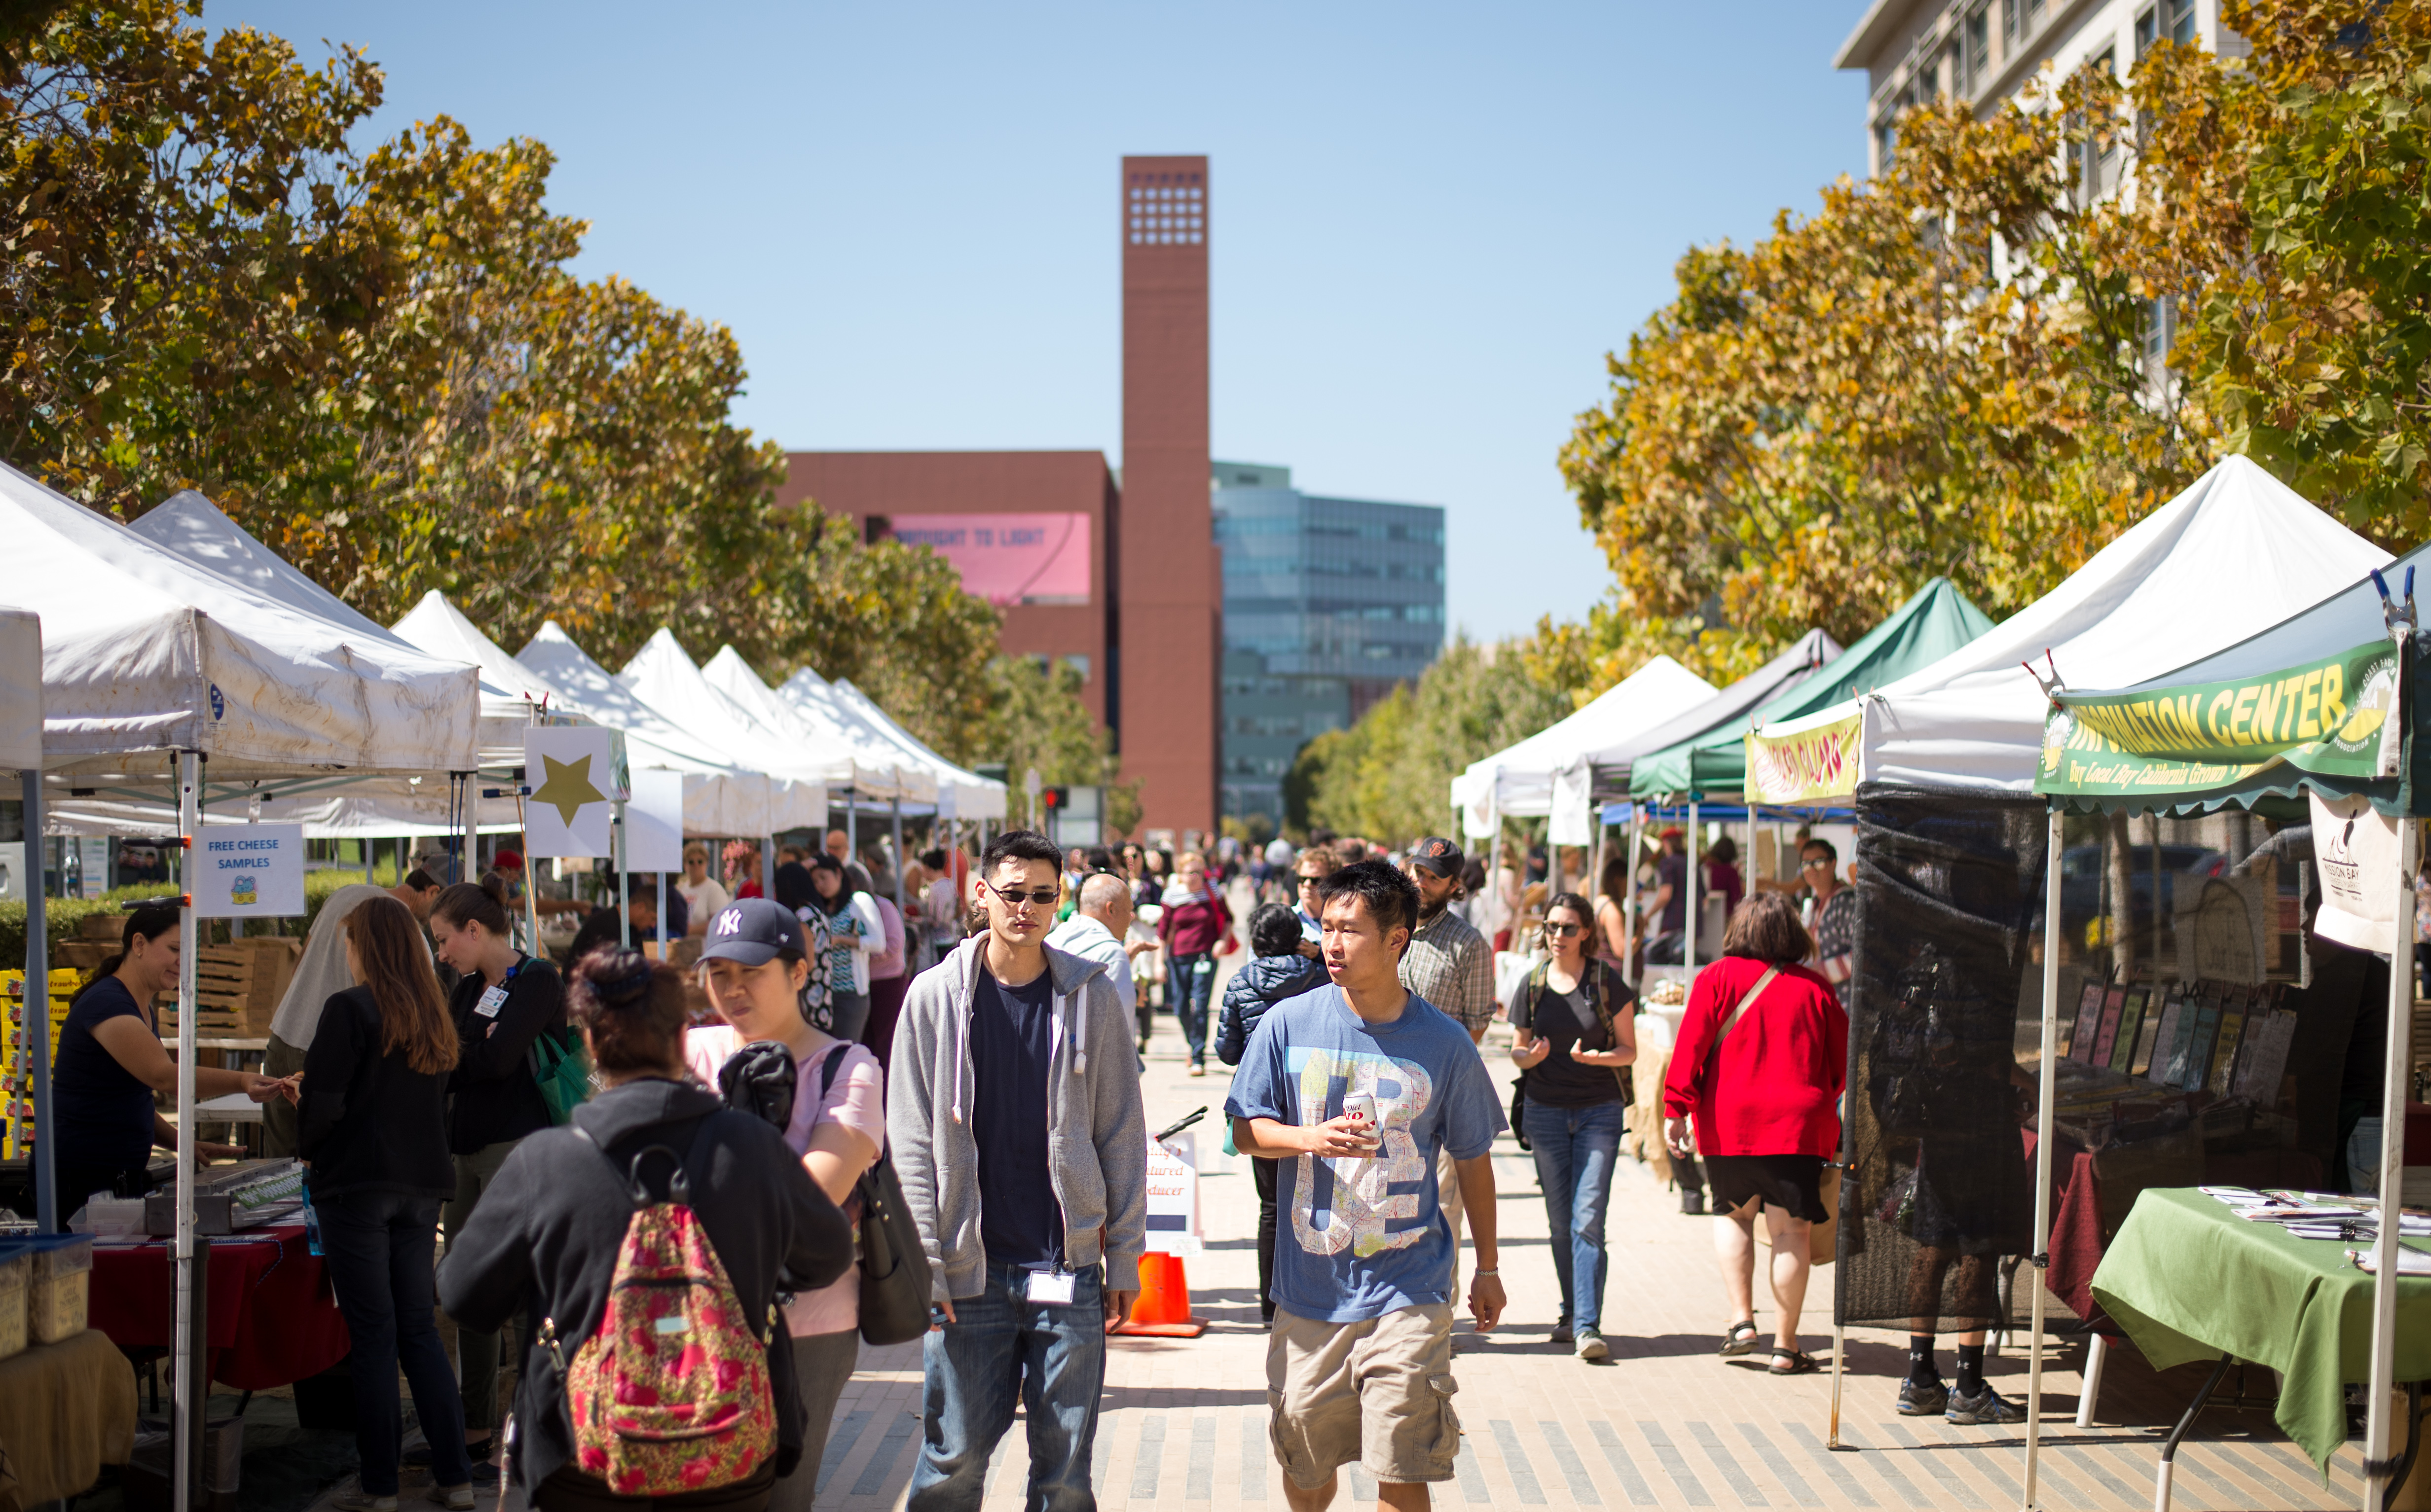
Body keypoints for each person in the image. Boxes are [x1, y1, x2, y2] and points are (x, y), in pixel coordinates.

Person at [437, 948, 854, 1511]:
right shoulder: (752, 1147)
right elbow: (826, 1257)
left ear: (590, 1044)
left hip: (582, 1452)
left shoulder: (546, 1162)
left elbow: (464, 1293)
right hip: (730, 1446)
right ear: (683, 1036)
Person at [1226, 861, 1507, 1512]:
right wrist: (1308, 1138)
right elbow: (1245, 1130)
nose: (1332, 943)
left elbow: (1473, 1158)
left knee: (1401, 1463)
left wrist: (1488, 1266)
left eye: (1350, 930)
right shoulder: (1287, 1024)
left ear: (1395, 939)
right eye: (1326, 926)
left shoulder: (1444, 1043)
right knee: (1306, 1461)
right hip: (1309, 1291)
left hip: (1410, 1288)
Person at [890, 829, 1147, 1512]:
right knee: (953, 1462)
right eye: (1012, 893)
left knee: (1064, 1475)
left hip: (1067, 1267)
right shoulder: (932, 998)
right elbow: (911, 1144)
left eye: (1042, 895)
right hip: (967, 1272)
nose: (1026, 907)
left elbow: (1122, 1133)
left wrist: (1123, 1257)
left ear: (1059, 902)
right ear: (982, 894)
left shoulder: (1090, 998)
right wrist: (927, 1262)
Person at [686, 900, 885, 1512]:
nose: (733, 989)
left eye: (751, 972)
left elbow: (811, 1198)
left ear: (799, 973)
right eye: (719, 974)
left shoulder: (845, 1069)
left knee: (779, 1494)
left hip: (806, 1324)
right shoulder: (692, 1052)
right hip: (695, 1316)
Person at [299, 896, 477, 1512]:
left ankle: (379, 1487)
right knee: (418, 1332)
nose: (345, 955)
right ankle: (455, 1478)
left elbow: (321, 1103)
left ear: (365, 948)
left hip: (356, 1186)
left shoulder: (349, 1008)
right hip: (421, 1186)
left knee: (373, 1337)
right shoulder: (434, 1012)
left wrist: (308, 1146)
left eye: (349, 944)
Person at [1660, 892, 1846, 1377]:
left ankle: (1741, 1321)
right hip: (1797, 1126)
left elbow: (1690, 1047)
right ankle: (1786, 1347)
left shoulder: (1715, 979)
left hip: (1729, 1120)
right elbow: (1840, 1063)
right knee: (1791, 1231)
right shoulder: (1816, 987)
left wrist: (1675, 1106)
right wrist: (1815, 1098)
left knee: (1732, 1214)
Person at [430, 877, 568, 1476]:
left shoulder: (537, 980)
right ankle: (475, 1427)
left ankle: (533, 1426)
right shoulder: (465, 989)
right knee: (468, 1291)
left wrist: (469, 1052)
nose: (440, 953)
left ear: (475, 931)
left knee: (523, 1294)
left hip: (517, 1151)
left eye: (443, 940)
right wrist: (469, 1051)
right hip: (463, 1153)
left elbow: (496, 1058)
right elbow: (448, 1058)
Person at [47, 905, 282, 1216]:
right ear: (139, 944)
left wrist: (182, 1142)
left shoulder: (136, 1003)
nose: (182, 962)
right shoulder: (107, 1003)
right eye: (174, 949)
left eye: (188, 953)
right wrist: (241, 1081)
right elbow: (163, 1076)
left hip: (112, 1174)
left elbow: (130, 1100)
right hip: (80, 1177)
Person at [1507, 893, 1636, 1362]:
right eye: (1551, 927)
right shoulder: (1533, 983)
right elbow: (1517, 1051)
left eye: (1567, 927)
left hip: (1599, 1109)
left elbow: (1629, 1050)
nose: (1557, 935)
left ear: (1586, 933)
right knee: (1560, 1223)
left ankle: (1587, 1325)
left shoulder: (1606, 982)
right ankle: (1570, 1312)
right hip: (1544, 1109)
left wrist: (1599, 1058)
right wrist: (1531, 1057)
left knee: (1587, 1218)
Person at [262, 868, 445, 1157]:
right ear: (433, 892)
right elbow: (418, 1007)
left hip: (286, 1032)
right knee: (331, 1158)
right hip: (335, 1052)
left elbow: (300, 962)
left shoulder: (345, 894)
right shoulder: (407, 929)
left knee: (279, 1171)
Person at [1216, 902, 1330, 1326]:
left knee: (1272, 1207)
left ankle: (1270, 1307)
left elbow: (1227, 1051)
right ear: (1298, 936)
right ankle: (1312, 1295)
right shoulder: (1320, 978)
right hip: (1314, 1105)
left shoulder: (1241, 980)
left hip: (1260, 1108)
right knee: (1319, 1199)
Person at [1398, 836, 1496, 1307]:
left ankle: (1438, 1306)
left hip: (1442, 1095)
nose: (1420, 882)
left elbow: (1476, 1024)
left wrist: (1438, 1066)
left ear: (1455, 886)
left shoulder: (1468, 945)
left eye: (1433, 876)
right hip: (1380, 1090)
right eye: (1418, 871)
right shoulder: (1388, 928)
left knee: (1440, 1206)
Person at [1045, 873, 1154, 1056]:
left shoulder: (1053, 939)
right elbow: (1118, 1030)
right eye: (1129, 910)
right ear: (1111, 910)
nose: (1132, 917)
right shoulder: (1113, 952)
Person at [1156, 851, 1233, 1076]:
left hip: (1205, 956)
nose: (1196, 877)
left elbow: (1229, 918)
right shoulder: (1172, 895)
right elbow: (1162, 931)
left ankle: (1198, 1056)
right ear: (1180, 874)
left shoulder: (1212, 891)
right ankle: (1193, 1043)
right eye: (1190, 873)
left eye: (1199, 872)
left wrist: (1222, 942)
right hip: (1178, 957)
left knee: (1200, 1006)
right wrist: (1159, 963)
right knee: (1180, 1007)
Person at [802, 853, 882, 1044]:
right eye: (815, 881)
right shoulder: (819, 908)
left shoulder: (859, 902)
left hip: (851, 995)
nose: (820, 885)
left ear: (838, 874)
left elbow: (879, 943)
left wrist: (841, 940)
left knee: (845, 1053)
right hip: (822, 995)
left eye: (824, 878)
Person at [568, 875, 687, 966]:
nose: (653, 925)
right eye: (653, 918)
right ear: (641, 907)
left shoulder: (633, 929)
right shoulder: (604, 927)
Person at [865, 886, 910, 1073]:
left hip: (888, 981)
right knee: (868, 1044)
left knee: (886, 1044)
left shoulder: (884, 907)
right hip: (863, 984)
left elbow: (894, 945)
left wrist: (863, 955)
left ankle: (889, 1094)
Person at [1799, 838, 1855, 985]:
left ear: (1833, 863)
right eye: (1806, 864)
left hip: (1845, 1001)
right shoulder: (1814, 904)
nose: (1812, 869)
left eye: (1818, 862)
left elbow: (1863, 955)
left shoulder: (1846, 902)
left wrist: (1819, 971)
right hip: (1825, 999)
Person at [1643, 828, 1690, 964]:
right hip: (1693, 926)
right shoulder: (1692, 863)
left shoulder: (1668, 863)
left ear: (1667, 844)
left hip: (1673, 924)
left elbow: (1665, 895)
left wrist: (1648, 915)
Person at [678, 841, 733, 936]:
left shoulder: (714, 889)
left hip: (707, 948)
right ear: (685, 865)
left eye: (700, 862)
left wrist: (689, 930)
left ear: (707, 864)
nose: (696, 866)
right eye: (691, 862)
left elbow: (720, 922)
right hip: (687, 948)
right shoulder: (682, 890)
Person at [1291, 846, 1339, 952]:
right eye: (1302, 879)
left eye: (1315, 880)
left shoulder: (1345, 921)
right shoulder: (1286, 920)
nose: (1307, 885)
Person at [1593, 855, 1632, 972]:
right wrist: (1640, 930)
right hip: (1614, 978)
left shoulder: (1603, 902)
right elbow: (1622, 951)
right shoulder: (1611, 910)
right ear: (1618, 880)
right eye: (1629, 880)